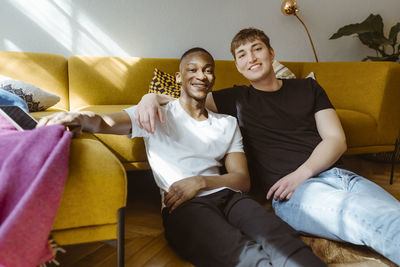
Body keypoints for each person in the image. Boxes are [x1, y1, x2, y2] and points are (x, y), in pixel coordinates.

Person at [38, 47, 325, 267]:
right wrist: (78, 117)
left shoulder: (227, 123)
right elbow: (102, 123)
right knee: (244, 255)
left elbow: (242, 180)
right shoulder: (156, 113)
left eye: (208, 70)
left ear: (213, 78)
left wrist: (200, 181)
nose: (201, 75)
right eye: (193, 69)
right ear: (179, 77)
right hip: (184, 206)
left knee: (283, 239)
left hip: (229, 197)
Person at [135, 29, 400, 265]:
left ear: (271, 53)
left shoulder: (308, 87)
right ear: (238, 66)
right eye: (241, 54)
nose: (251, 57)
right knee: (380, 222)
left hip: (342, 177)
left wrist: (303, 171)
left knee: (393, 215)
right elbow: (186, 101)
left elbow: (336, 139)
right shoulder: (236, 98)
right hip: (295, 191)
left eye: (257, 48)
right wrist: (149, 97)